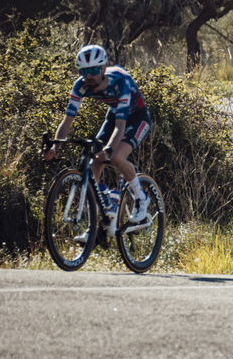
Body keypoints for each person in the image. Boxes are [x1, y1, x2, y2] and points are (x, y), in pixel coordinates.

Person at [44, 44, 153, 237]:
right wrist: (56, 145)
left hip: (137, 118)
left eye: (93, 70)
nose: (89, 76)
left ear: (103, 68)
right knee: (94, 163)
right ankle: (98, 222)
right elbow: (67, 121)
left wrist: (109, 149)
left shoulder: (121, 82)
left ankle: (141, 199)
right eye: (84, 71)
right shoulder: (81, 85)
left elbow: (121, 126)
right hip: (114, 115)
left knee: (117, 158)